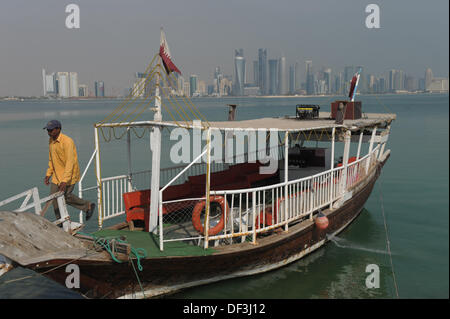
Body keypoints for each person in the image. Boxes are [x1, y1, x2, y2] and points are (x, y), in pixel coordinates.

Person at [43, 120, 95, 222]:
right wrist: (48, 174)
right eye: (47, 130)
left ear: (58, 129)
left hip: (69, 175)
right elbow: (51, 159)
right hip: (57, 176)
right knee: (54, 199)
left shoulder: (67, 142)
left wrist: (65, 180)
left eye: (51, 130)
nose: (49, 132)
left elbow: (70, 162)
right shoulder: (51, 141)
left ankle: (87, 206)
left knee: (66, 197)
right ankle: (61, 222)